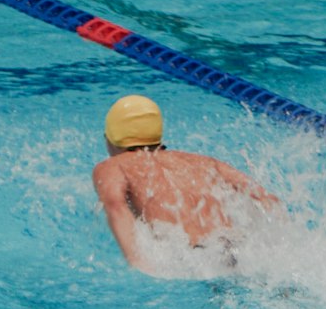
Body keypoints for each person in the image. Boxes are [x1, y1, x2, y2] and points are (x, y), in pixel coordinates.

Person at [92, 95, 280, 271]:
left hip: (195, 257)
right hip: (238, 247)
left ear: (110, 141)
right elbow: (267, 198)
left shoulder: (112, 167)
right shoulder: (202, 161)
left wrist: (139, 265)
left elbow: (115, 206)